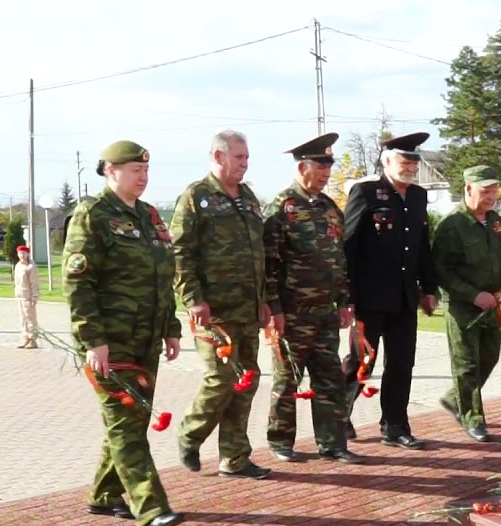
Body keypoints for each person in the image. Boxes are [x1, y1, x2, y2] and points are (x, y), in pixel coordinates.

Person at [64, 140, 183, 526]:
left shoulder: (150, 216)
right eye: (135, 170)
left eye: (146, 171)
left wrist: (171, 329)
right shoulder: (92, 215)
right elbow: (78, 283)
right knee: (126, 420)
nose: (143, 177)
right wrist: (92, 339)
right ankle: (150, 507)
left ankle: (104, 494)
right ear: (111, 171)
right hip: (112, 341)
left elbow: (164, 277)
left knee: (130, 421)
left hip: (145, 337)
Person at [171, 130, 273, 479]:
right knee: (220, 379)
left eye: (247, 158)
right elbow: (180, 253)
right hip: (214, 312)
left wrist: (263, 301)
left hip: (247, 308)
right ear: (217, 157)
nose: (245, 164)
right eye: (239, 157)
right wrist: (193, 299)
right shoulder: (196, 197)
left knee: (247, 379)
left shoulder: (248, 197)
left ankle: (235, 457)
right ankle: (190, 433)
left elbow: (258, 253)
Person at [262, 132, 362, 464]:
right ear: (303, 167)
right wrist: (274, 308)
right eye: (321, 169)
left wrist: (345, 300)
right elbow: (269, 263)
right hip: (292, 313)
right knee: (288, 377)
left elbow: (340, 256)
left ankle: (333, 443)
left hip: (325, 313)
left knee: (330, 377)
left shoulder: (329, 207)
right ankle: (280, 441)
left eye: (328, 170)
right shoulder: (281, 207)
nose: (326, 176)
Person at [340, 131, 438, 449]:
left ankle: (395, 425)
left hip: (405, 296)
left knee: (401, 362)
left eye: (413, 161)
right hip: (369, 296)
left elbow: (422, 246)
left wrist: (429, 288)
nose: (409, 166)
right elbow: (348, 246)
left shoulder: (419, 197)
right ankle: (338, 416)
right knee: (361, 360)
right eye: (403, 160)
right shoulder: (367, 193)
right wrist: (347, 296)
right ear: (386, 160)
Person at [432, 165, 501, 442]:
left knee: (489, 358)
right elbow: (441, 271)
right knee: (467, 364)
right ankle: (473, 419)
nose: (491, 196)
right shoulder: (452, 225)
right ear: (468, 189)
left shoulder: (496, 221)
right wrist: (472, 295)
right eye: (485, 191)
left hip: (492, 302)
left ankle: (452, 398)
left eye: (494, 191)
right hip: (463, 307)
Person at [14, 244, 40, 349]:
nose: (22, 255)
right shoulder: (18, 265)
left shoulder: (31, 267)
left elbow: (34, 283)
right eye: (20, 253)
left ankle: (33, 340)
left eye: (24, 253)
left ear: (27, 253)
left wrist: (34, 296)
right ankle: (25, 337)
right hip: (20, 295)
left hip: (28, 296)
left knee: (31, 319)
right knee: (22, 319)